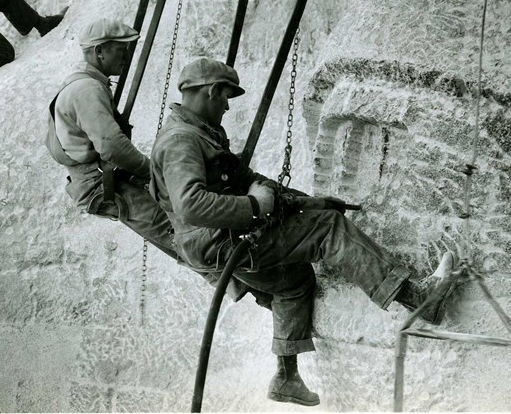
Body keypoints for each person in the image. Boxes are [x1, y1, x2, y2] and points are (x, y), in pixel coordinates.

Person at [150, 57, 456, 407]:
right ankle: (418, 297)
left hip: (217, 241)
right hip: (220, 241)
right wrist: (255, 208)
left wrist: (310, 203)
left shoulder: (200, 133)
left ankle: (286, 376)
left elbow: (248, 181)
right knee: (328, 230)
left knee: (293, 282)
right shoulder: (181, 140)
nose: (226, 105)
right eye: (225, 97)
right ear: (211, 91)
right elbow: (192, 205)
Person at [45, 18, 273, 304]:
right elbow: (112, 146)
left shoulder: (81, 84)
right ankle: (253, 288)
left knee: (180, 228)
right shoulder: (86, 90)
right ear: (99, 51)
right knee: (179, 230)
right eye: (120, 50)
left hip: (101, 177)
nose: (126, 57)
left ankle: (244, 285)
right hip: (102, 183)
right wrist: (153, 173)